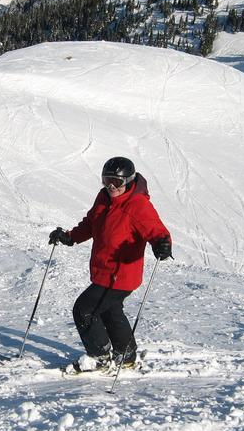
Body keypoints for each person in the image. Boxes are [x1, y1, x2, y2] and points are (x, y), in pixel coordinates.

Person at [49, 157, 172, 373]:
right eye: (107, 180)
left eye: (117, 181)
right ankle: (126, 355)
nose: (111, 186)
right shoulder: (104, 197)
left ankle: (99, 357)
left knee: (84, 310)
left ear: (129, 181)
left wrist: (163, 245)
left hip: (121, 273)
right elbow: (91, 223)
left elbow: (158, 232)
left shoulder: (138, 205)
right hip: (103, 271)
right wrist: (70, 237)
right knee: (110, 311)